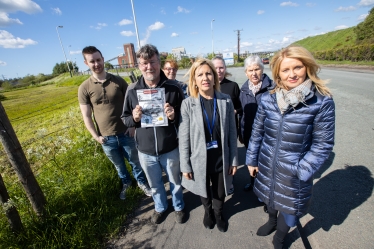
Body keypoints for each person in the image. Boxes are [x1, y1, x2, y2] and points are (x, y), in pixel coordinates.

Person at [246, 46, 335, 249]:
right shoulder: (268, 98)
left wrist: (301, 170)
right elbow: (257, 132)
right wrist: (251, 159)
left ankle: (279, 238)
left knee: (289, 208)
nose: (292, 74)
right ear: (277, 72)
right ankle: (271, 221)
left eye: (298, 67)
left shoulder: (321, 101)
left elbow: (323, 144)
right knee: (269, 199)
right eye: (286, 70)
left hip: (294, 171)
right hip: (267, 164)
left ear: (307, 67)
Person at [121, 44, 185, 224]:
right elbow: (124, 118)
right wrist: (134, 118)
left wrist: (174, 115)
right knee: (155, 184)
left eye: (152, 62)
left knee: (175, 181)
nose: (149, 67)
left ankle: (179, 206)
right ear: (139, 66)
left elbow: (185, 117)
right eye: (144, 63)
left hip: (170, 147)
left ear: (159, 62)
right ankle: (160, 207)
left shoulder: (174, 87)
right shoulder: (132, 90)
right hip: (145, 150)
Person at [78, 46, 151, 200]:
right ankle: (126, 184)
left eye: (98, 60)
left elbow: (133, 104)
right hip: (106, 138)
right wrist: (96, 137)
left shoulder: (118, 81)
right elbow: (86, 116)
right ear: (86, 63)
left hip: (126, 133)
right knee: (119, 166)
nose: (96, 64)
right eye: (92, 61)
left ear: (103, 59)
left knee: (135, 162)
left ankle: (142, 182)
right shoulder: (84, 88)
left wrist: (132, 126)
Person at [179, 58, 238, 232]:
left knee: (220, 191)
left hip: (221, 157)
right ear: (194, 81)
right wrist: (185, 165)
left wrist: (234, 160)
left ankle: (218, 213)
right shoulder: (187, 104)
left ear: (214, 77)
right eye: (200, 75)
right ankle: (208, 212)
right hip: (199, 159)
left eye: (208, 73)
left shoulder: (225, 100)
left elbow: (232, 134)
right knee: (203, 189)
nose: (205, 77)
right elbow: (184, 138)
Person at [239, 55, 272, 201]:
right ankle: (253, 184)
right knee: (252, 162)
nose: (254, 73)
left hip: (267, 136)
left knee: (266, 167)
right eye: (250, 70)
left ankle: (266, 196)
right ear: (246, 72)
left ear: (262, 69)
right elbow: (242, 114)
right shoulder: (243, 90)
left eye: (257, 69)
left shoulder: (272, 88)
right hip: (249, 135)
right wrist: (241, 132)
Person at [212, 56, 242, 195]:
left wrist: (233, 111)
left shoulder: (232, 86)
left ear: (225, 68)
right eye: (215, 68)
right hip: (212, 131)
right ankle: (216, 182)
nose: (218, 71)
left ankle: (229, 183)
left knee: (230, 157)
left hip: (229, 129)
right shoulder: (207, 86)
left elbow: (241, 107)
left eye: (221, 67)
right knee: (215, 157)